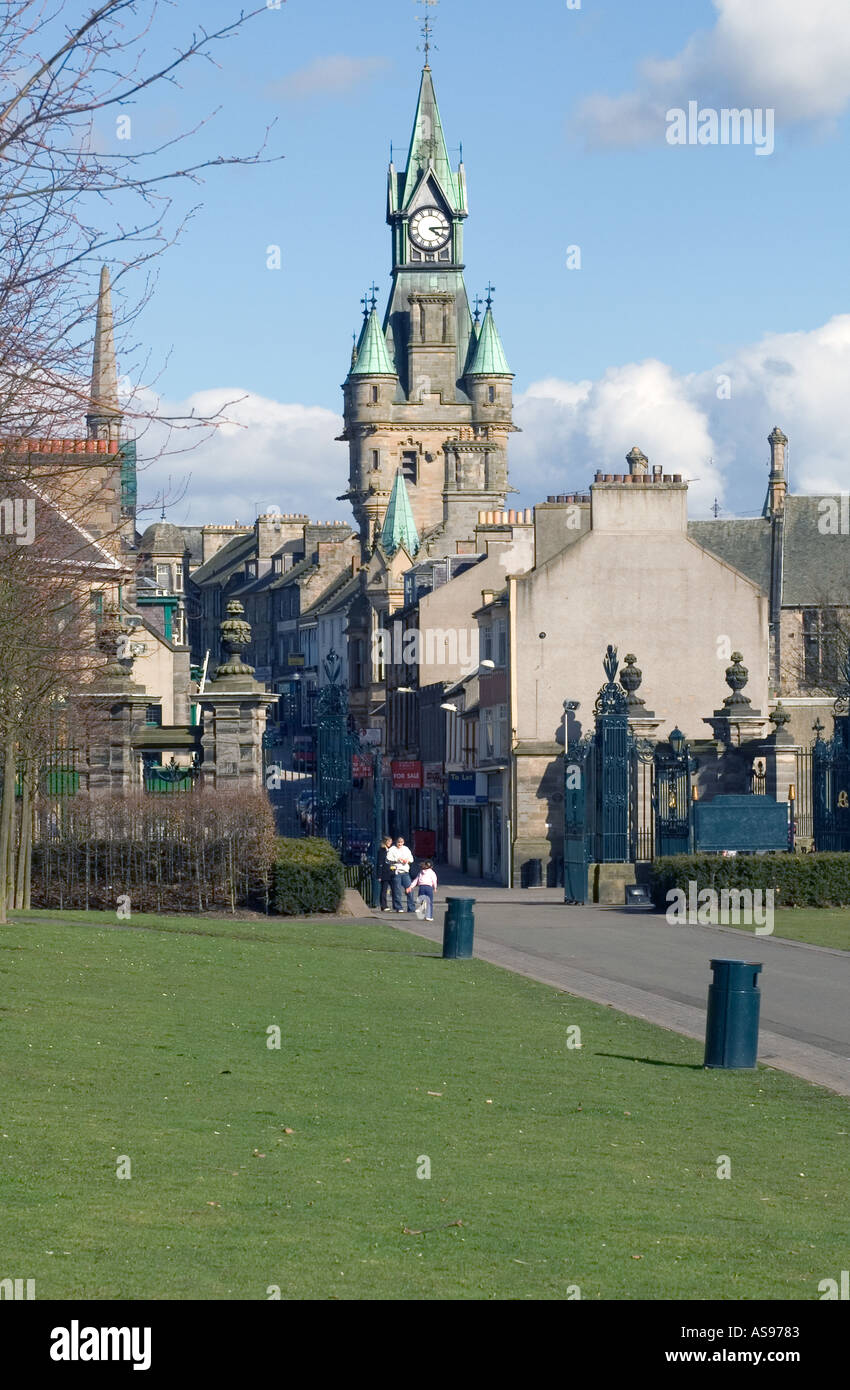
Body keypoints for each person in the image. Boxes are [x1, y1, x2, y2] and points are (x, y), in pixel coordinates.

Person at [387, 835, 414, 912]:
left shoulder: (406, 849)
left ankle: (411, 907)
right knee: (397, 890)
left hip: (405, 872)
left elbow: (411, 859)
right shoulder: (392, 849)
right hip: (397, 872)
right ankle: (398, 907)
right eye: (399, 842)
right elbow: (388, 859)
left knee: (409, 890)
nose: (400, 844)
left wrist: (407, 860)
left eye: (401, 842)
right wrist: (397, 860)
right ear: (396, 842)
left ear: (403, 842)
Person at [377, 836, 394, 911]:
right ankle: (383, 906)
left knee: (393, 889)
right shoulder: (382, 850)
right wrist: (379, 875)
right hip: (384, 873)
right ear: (385, 842)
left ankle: (395, 905)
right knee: (384, 890)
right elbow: (380, 863)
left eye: (391, 841)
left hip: (390, 872)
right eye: (389, 841)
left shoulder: (389, 850)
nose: (390, 843)